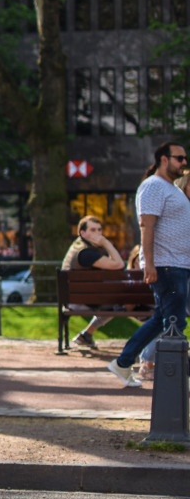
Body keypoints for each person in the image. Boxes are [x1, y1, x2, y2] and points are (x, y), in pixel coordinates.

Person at [108, 142, 190, 388]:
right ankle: (175, 378)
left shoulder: (171, 188)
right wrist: (150, 264)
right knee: (174, 322)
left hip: (176, 264)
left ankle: (123, 362)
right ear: (164, 159)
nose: (184, 162)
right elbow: (147, 226)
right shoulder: (153, 186)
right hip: (167, 265)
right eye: (179, 158)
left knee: (164, 318)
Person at [61, 215, 126, 349]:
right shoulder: (87, 253)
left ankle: (86, 335)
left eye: (99, 230)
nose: (98, 234)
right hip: (83, 301)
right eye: (93, 230)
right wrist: (106, 243)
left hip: (72, 298)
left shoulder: (77, 246)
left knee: (116, 300)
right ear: (82, 233)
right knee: (120, 300)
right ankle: (149, 332)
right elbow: (119, 264)